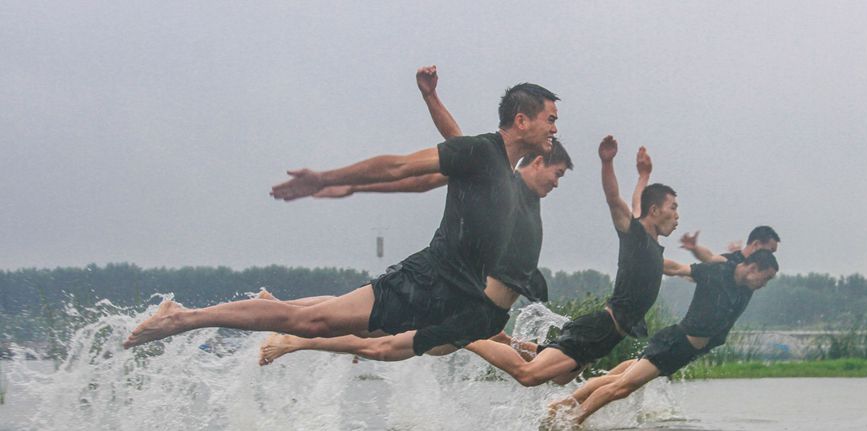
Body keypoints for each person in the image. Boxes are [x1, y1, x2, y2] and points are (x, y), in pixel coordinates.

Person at [125, 73, 561, 359]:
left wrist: (431, 97)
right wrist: (324, 179)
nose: (555, 129)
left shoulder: (496, 164)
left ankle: (259, 312)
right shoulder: (483, 153)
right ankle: (183, 318)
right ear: (522, 121)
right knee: (314, 323)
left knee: (347, 329)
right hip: (429, 279)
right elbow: (399, 166)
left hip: (452, 294)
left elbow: (453, 136)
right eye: (550, 119)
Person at [257, 67, 572, 365]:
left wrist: (431, 97)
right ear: (534, 163)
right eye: (555, 172)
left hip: (473, 309)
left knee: (370, 328)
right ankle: (289, 334)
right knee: (376, 337)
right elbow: (441, 156)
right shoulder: (501, 181)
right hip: (458, 301)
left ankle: (279, 314)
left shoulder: (509, 188)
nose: (557, 182)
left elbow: (457, 141)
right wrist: (353, 186)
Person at [458, 135, 678, 387]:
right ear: (655, 211)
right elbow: (614, 199)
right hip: (601, 329)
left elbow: (638, 203)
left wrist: (643, 176)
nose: (677, 215)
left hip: (606, 337)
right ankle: (465, 336)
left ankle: (505, 342)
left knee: (562, 377)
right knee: (529, 375)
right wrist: (607, 163)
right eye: (673, 207)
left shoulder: (648, 241)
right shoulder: (636, 238)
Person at [548, 249, 780, 426]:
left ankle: (557, 408)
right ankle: (571, 422)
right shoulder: (717, 273)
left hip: (682, 352)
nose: (764, 285)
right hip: (673, 345)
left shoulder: (743, 287)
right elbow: (677, 268)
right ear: (753, 268)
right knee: (623, 387)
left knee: (615, 379)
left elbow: (731, 253)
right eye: (766, 278)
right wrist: (644, 262)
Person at [679, 225, 780, 264]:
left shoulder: (755, 271)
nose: (771, 257)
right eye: (770, 251)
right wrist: (695, 248)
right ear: (756, 244)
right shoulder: (732, 262)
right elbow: (710, 258)